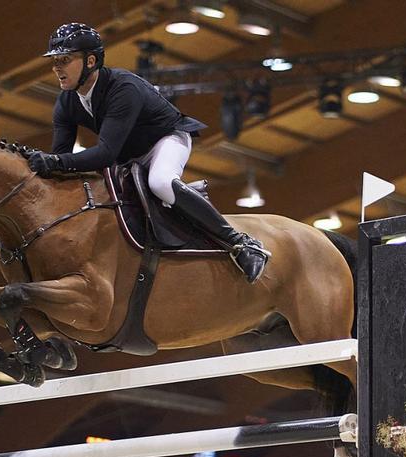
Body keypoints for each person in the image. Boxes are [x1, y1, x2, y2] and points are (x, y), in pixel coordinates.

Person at [28, 23, 270, 283]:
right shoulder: (66, 102)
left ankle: (241, 243)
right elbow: (60, 159)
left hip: (164, 140)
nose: (57, 68)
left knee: (161, 182)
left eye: (65, 60)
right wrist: (47, 165)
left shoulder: (123, 88)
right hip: (127, 155)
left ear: (90, 61)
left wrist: (56, 161)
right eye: (54, 61)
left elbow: (104, 154)